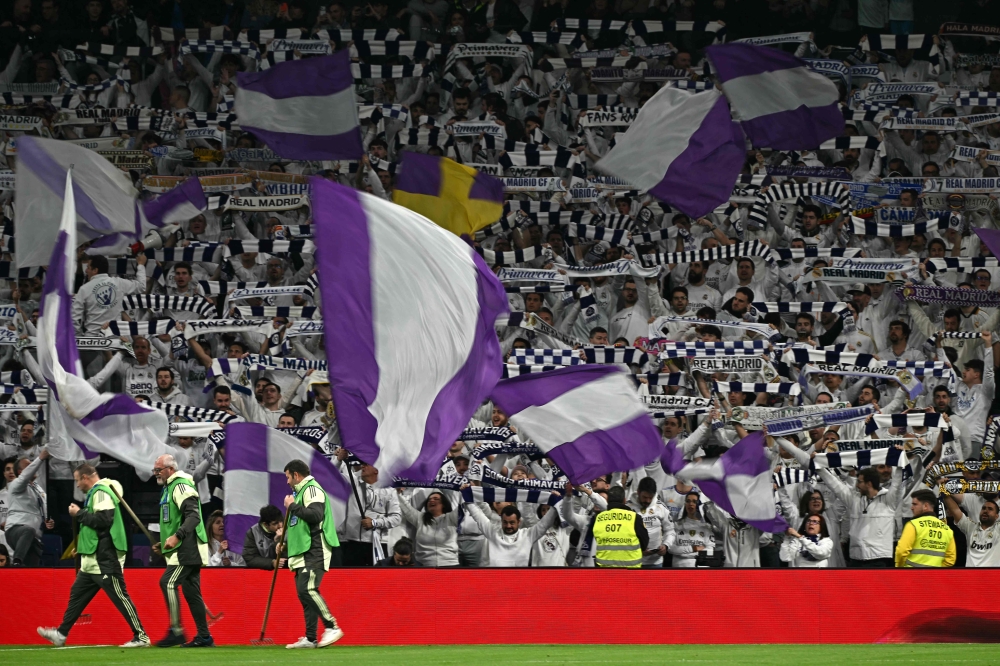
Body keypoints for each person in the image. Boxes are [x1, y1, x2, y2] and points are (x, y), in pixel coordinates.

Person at [36, 465, 150, 648]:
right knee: (77, 596)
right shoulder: (97, 493)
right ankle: (61, 634)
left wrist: (78, 513)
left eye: (77, 480)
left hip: (106, 557)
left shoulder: (101, 492)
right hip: (92, 558)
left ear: (85, 478)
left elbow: (104, 520)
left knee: (120, 597)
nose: (77, 485)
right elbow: (93, 528)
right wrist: (82, 547)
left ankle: (141, 636)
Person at [151, 454, 213, 648]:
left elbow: (193, 516)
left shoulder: (180, 486)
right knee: (191, 593)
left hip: (187, 547)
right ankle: (204, 637)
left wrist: (177, 536)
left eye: (159, 470)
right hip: (183, 546)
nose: (156, 473)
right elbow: (175, 520)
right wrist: (164, 542)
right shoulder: (169, 488)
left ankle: (176, 631)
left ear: (170, 469)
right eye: (155, 470)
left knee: (167, 582)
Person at [282, 459, 344, 649]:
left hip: (314, 548)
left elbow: (315, 516)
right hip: (302, 550)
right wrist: (283, 545)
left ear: (296, 475)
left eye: (288, 477)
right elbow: (299, 527)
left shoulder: (312, 489)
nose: (287, 481)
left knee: (307, 589)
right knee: (304, 595)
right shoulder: (301, 493)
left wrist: (292, 506)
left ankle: (332, 626)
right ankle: (310, 638)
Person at [818, 465, 905, 568]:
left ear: (869, 484)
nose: (857, 485)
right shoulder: (854, 499)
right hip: (856, 557)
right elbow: (835, 486)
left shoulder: (889, 500)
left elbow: (897, 485)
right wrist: (818, 468)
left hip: (879, 557)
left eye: (860, 482)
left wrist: (900, 465)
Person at [5, 452, 53, 566]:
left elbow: (44, 509)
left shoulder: (38, 489)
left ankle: (20, 567)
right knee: (28, 530)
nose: (33, 467)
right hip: (15, 530)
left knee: (31, 570)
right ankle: (16, 562)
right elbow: (24, 478)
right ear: (20, 472)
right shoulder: (15, 484)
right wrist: (40, 458)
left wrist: (49, 521)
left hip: (35, 536)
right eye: (29, 466)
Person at [895, 490, 956, 568]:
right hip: (935, 575)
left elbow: (901, 551)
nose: (912, 508)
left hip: (911, 574)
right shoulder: (947, 529)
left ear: (925, 506)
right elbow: (950, 559)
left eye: (915, 504)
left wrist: (899, 569)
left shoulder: (913, 525)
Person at [592, 486, 648, 568]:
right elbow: (644, 544)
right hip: (631, 570)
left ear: (607, 500)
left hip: (605, 569)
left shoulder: (599, 518)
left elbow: (598, 539)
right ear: (624, 500)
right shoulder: (634, 517)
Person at [942, 493, 1000, 568]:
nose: (986, 511)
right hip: (971, 573)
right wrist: (944, 490)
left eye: (990, 509)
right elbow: (955, 510)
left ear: (996, 516)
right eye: (983, 508)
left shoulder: (998, 529)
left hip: (992, 574)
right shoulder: (970, 527)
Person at [243, 504, 286, 570]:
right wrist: (272, 563)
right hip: (264, 573)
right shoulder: (253, 533)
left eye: (281, 521)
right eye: (275, 523)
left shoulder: (289, 527)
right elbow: (250, 558)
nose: (280, 525)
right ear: (265, 524)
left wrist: (280, 541)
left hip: (287, 570)